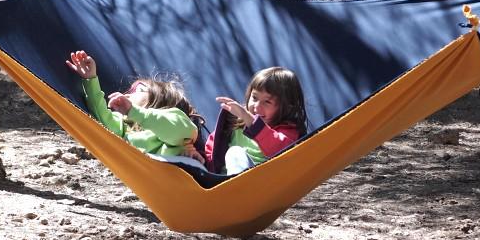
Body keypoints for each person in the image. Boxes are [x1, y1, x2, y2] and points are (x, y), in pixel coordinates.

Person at [65, 50, 205, 159]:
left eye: (135, 90)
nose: (126, 94)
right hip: (148, 176)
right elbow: (101, 117)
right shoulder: (125, 130)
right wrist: (90, 80)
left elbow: (177, 130)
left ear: (159, 98)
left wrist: (136, 112)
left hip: (183, 177)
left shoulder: (176, 118)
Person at [205, 67, 307, 175]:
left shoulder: (287, 131)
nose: (256, 107)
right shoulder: (236, 124)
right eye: (254, 98)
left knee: (235, 153)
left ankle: (236, 187)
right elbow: (212, 147)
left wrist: (251, 122)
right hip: (221, 183)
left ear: (286, 107)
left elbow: (282, 151)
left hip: (260, 183)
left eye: (267, 101)